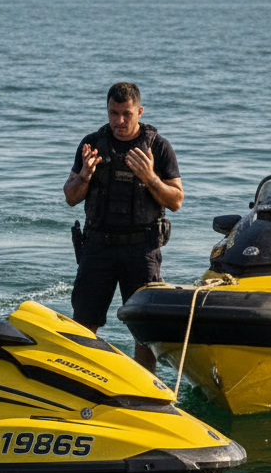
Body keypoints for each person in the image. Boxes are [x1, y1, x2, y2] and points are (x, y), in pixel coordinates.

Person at [63, 81, 183, 371]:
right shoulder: (92, 144)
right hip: (98, 247)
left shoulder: (158, 147)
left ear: (139, 112)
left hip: (141, 249)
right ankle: (84, 382)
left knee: (144, 331)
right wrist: (85, 175)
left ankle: (144, 386)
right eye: (113, 113)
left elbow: (176, 201)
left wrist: (150, 178)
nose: (119, 120)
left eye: (126, 114)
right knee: (83, 326)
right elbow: (70, 197)